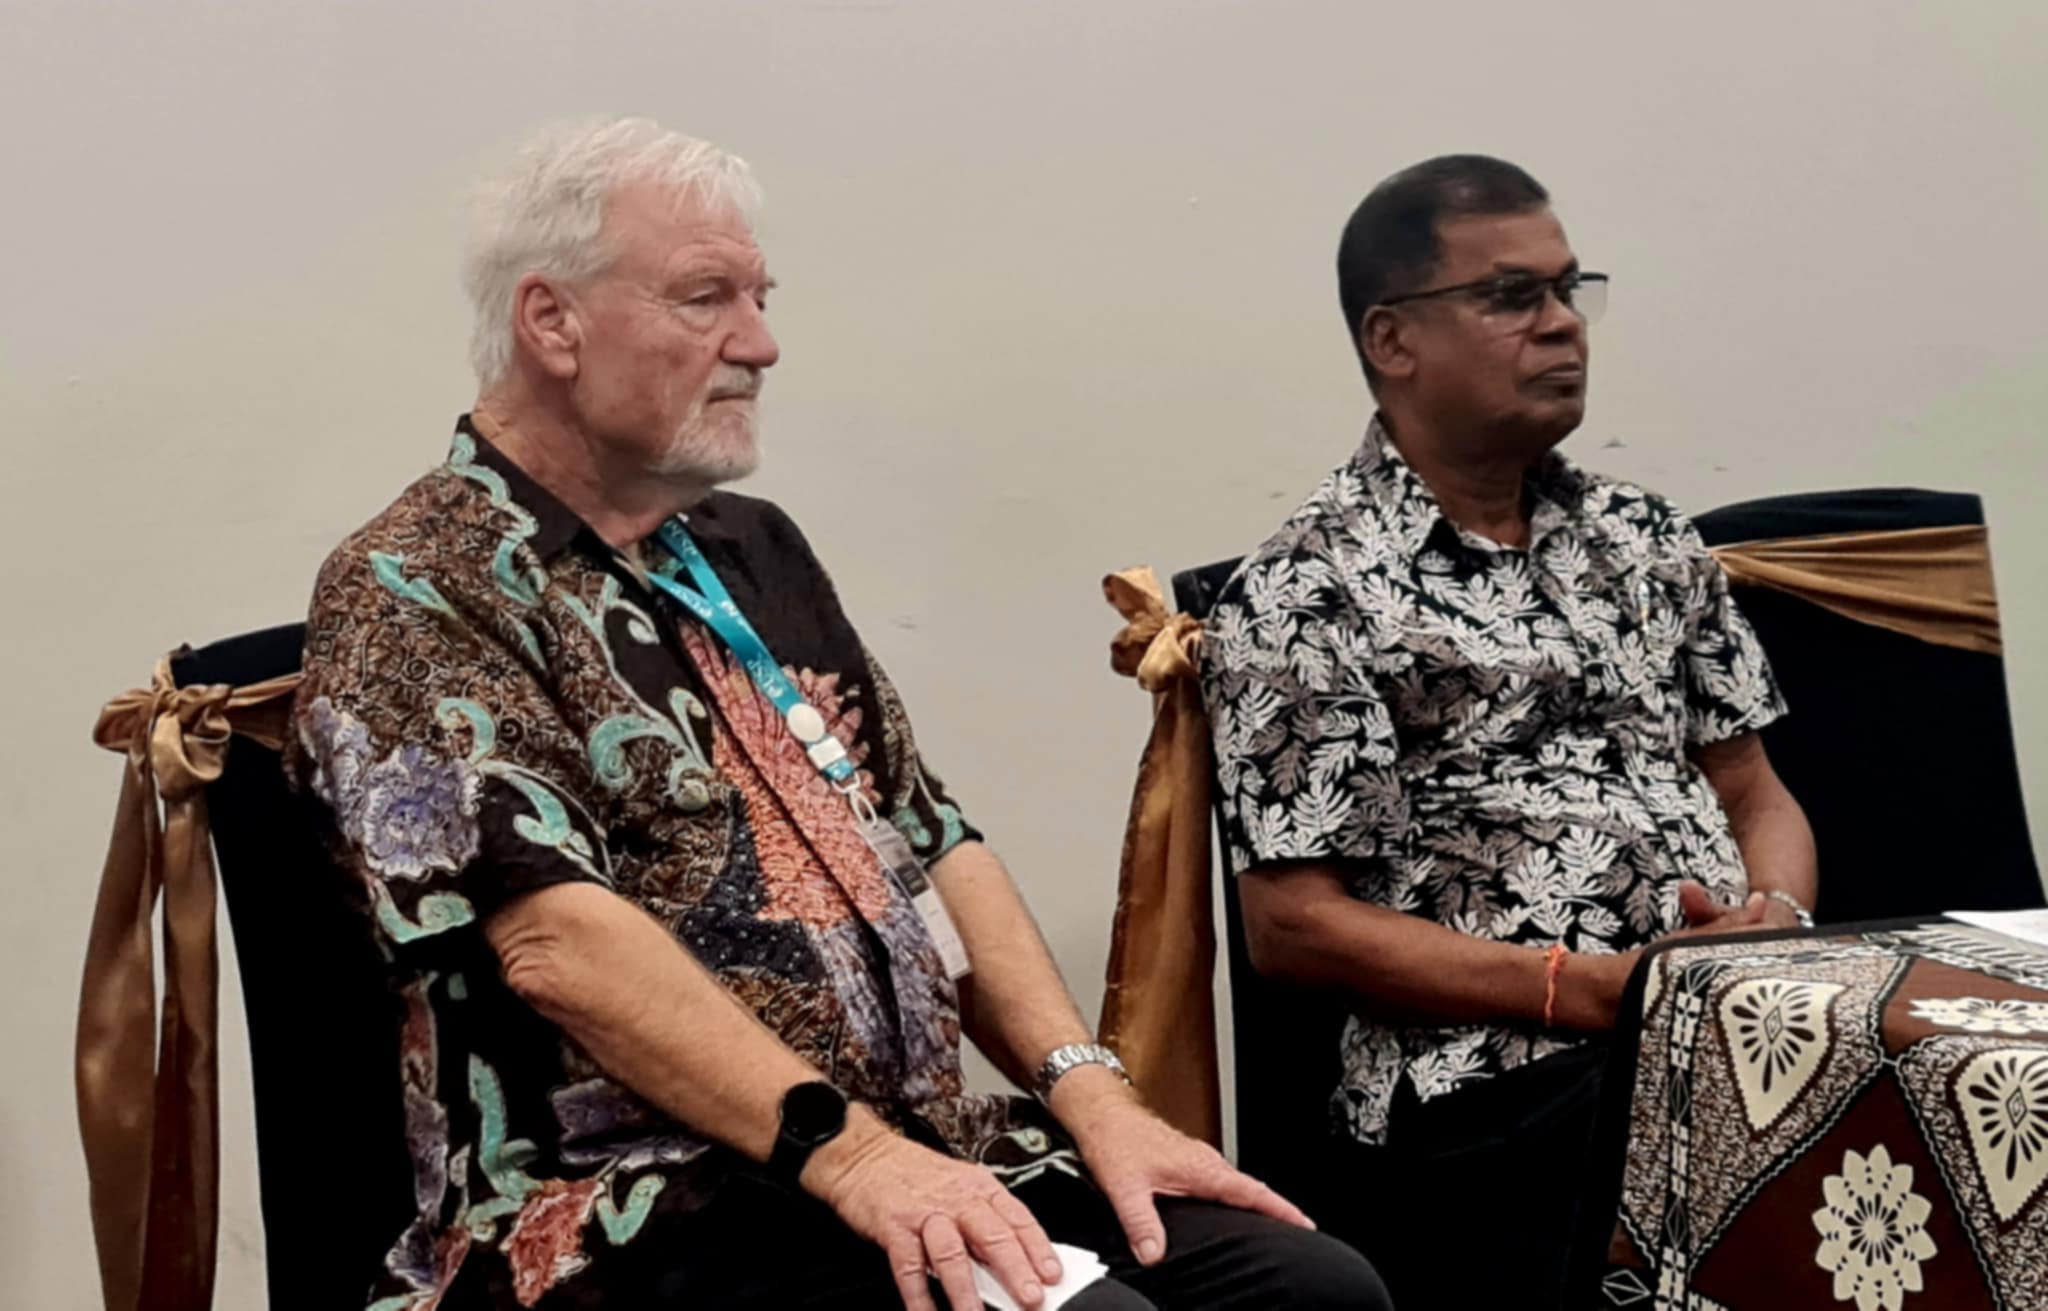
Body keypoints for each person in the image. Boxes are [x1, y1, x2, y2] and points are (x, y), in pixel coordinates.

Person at [288, 117, 1389, 1311]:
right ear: (551, 321)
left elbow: (934, 841)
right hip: (635, 1206)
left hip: (911, 1152)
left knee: (1309, 1294)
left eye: (758, 298)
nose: (759, 344)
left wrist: (1092, 1098)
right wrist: (853, 1156)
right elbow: (554, 946)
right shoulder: (415, 582)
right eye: (705, 298)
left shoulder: (748, 548)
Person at [1198, 155, 1818, 1309]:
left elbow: (1752, 790)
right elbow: (1293, 926)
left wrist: (1770, 927)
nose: (1559, 326)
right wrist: (1590, 992)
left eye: (1567, 290)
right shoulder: (1306, 590)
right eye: (1509, 297)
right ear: (1392, 341)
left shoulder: (1643, 536)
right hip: (1496, 1086)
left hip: (1735, 1017)